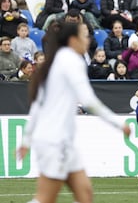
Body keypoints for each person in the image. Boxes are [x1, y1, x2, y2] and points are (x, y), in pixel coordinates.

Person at [17, 21, 130, 203]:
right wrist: (118, 123)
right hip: (55, 141)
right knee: (45, 198)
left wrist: (26, 140)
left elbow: (38, 105)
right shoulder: (71, 60)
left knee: (85, 195)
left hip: (60, 141)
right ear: (73, 40)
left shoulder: (57, 60)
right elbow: (88, 100)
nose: (88, 40)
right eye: (84, 35)